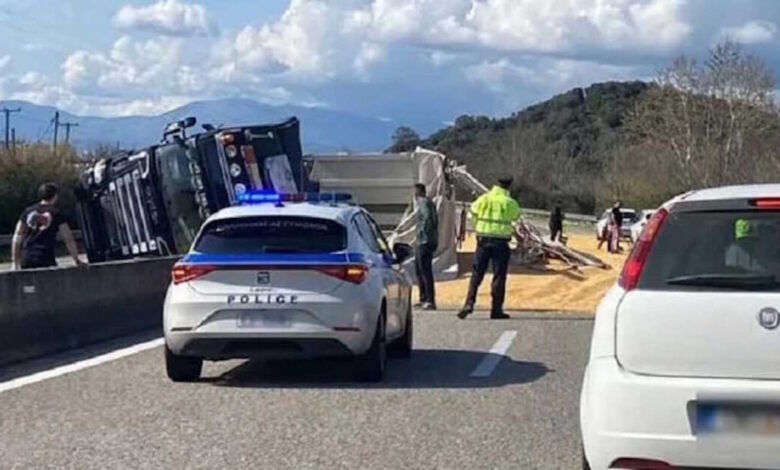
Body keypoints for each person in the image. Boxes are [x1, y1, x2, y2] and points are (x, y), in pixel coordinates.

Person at [458, 175, 521, 320]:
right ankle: (496, 310)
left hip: (483, 241)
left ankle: (469, 303)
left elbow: (471, 214)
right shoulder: (510, 202)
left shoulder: (484, 199)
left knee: (476, 274)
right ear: (509, 187)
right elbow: (516, 217)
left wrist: (478, 227)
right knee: (499, 276)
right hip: (501, 243)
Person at [11, 182, 86, 270]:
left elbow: (17, 238)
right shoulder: (56, 213)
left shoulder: (27, 211)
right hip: (45, 256)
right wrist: (76, 259)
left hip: (27, 257)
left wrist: (15, 262)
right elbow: (68, 238)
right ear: (55, 196)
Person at [414, 183, 438, 310]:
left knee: (425, 270)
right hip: (421, 241)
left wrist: (422, 232)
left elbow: (428, 219)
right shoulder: (424, 203)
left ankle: (430, 300)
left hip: (425, 241)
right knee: (419, 269)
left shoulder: (424, 203)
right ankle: (423, 298)